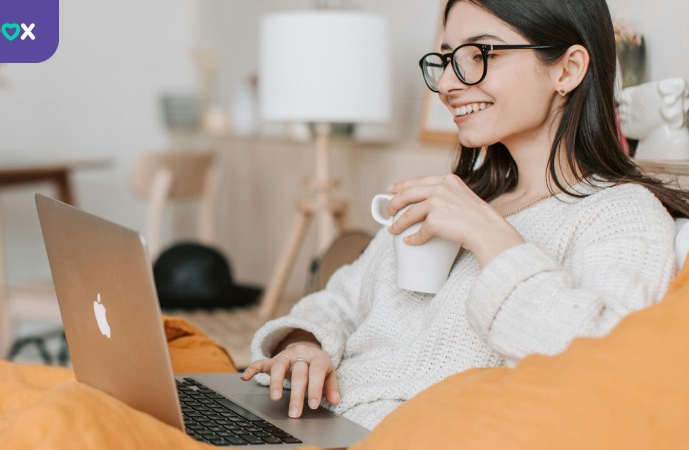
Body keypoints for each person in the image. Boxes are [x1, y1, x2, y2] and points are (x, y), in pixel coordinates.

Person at [241, 0, 689, 430]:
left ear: (568, 69)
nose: (449, 84)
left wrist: (488, 236)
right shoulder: (459, 195)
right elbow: (340, 299)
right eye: (447, 59)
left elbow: (606, 367)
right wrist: (305, 345)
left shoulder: (619, 214)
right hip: (311, 417)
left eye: (479, 54)